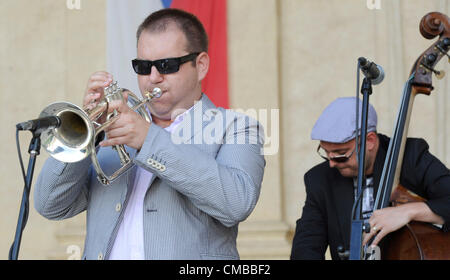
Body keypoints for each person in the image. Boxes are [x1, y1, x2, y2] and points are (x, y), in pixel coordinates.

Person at [34, 8, 265, 260]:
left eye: (167, 65)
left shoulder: (237, 128)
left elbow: (236, 203)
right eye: (143, 67)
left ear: (200, 65)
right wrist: (88, 132)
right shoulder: (113, 130)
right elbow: (51, 205)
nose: (153, 78)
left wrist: (149, 140)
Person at [290, 97, 450, 260]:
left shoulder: (411, 158)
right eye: (325, 152)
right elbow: (306, 246)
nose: (331, 163)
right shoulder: (319, 179)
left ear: (370, 141)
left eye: (341, 154)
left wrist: (408, 212)